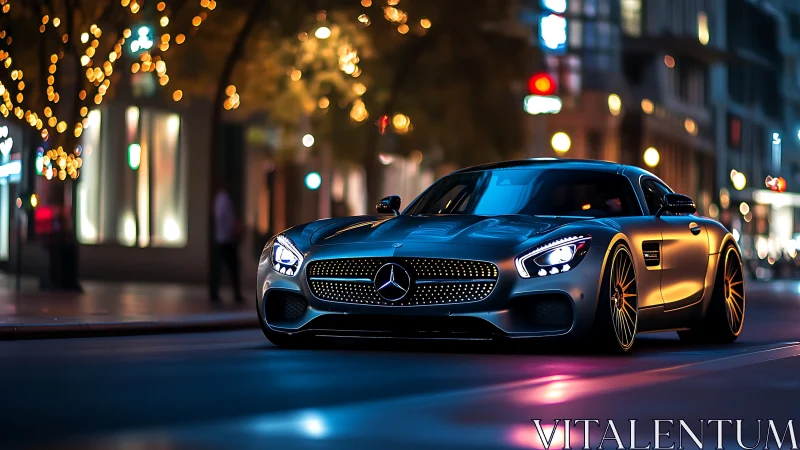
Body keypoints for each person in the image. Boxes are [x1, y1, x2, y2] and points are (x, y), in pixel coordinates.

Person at [210, 181, 245, 305]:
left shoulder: (221, 199)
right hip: (226, 240)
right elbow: (226, 218)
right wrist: (233, 230)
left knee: (223, 268)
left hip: (223, 239)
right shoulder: (224, 200)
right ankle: (234, 294)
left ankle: (217, 294)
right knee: (231, 268)